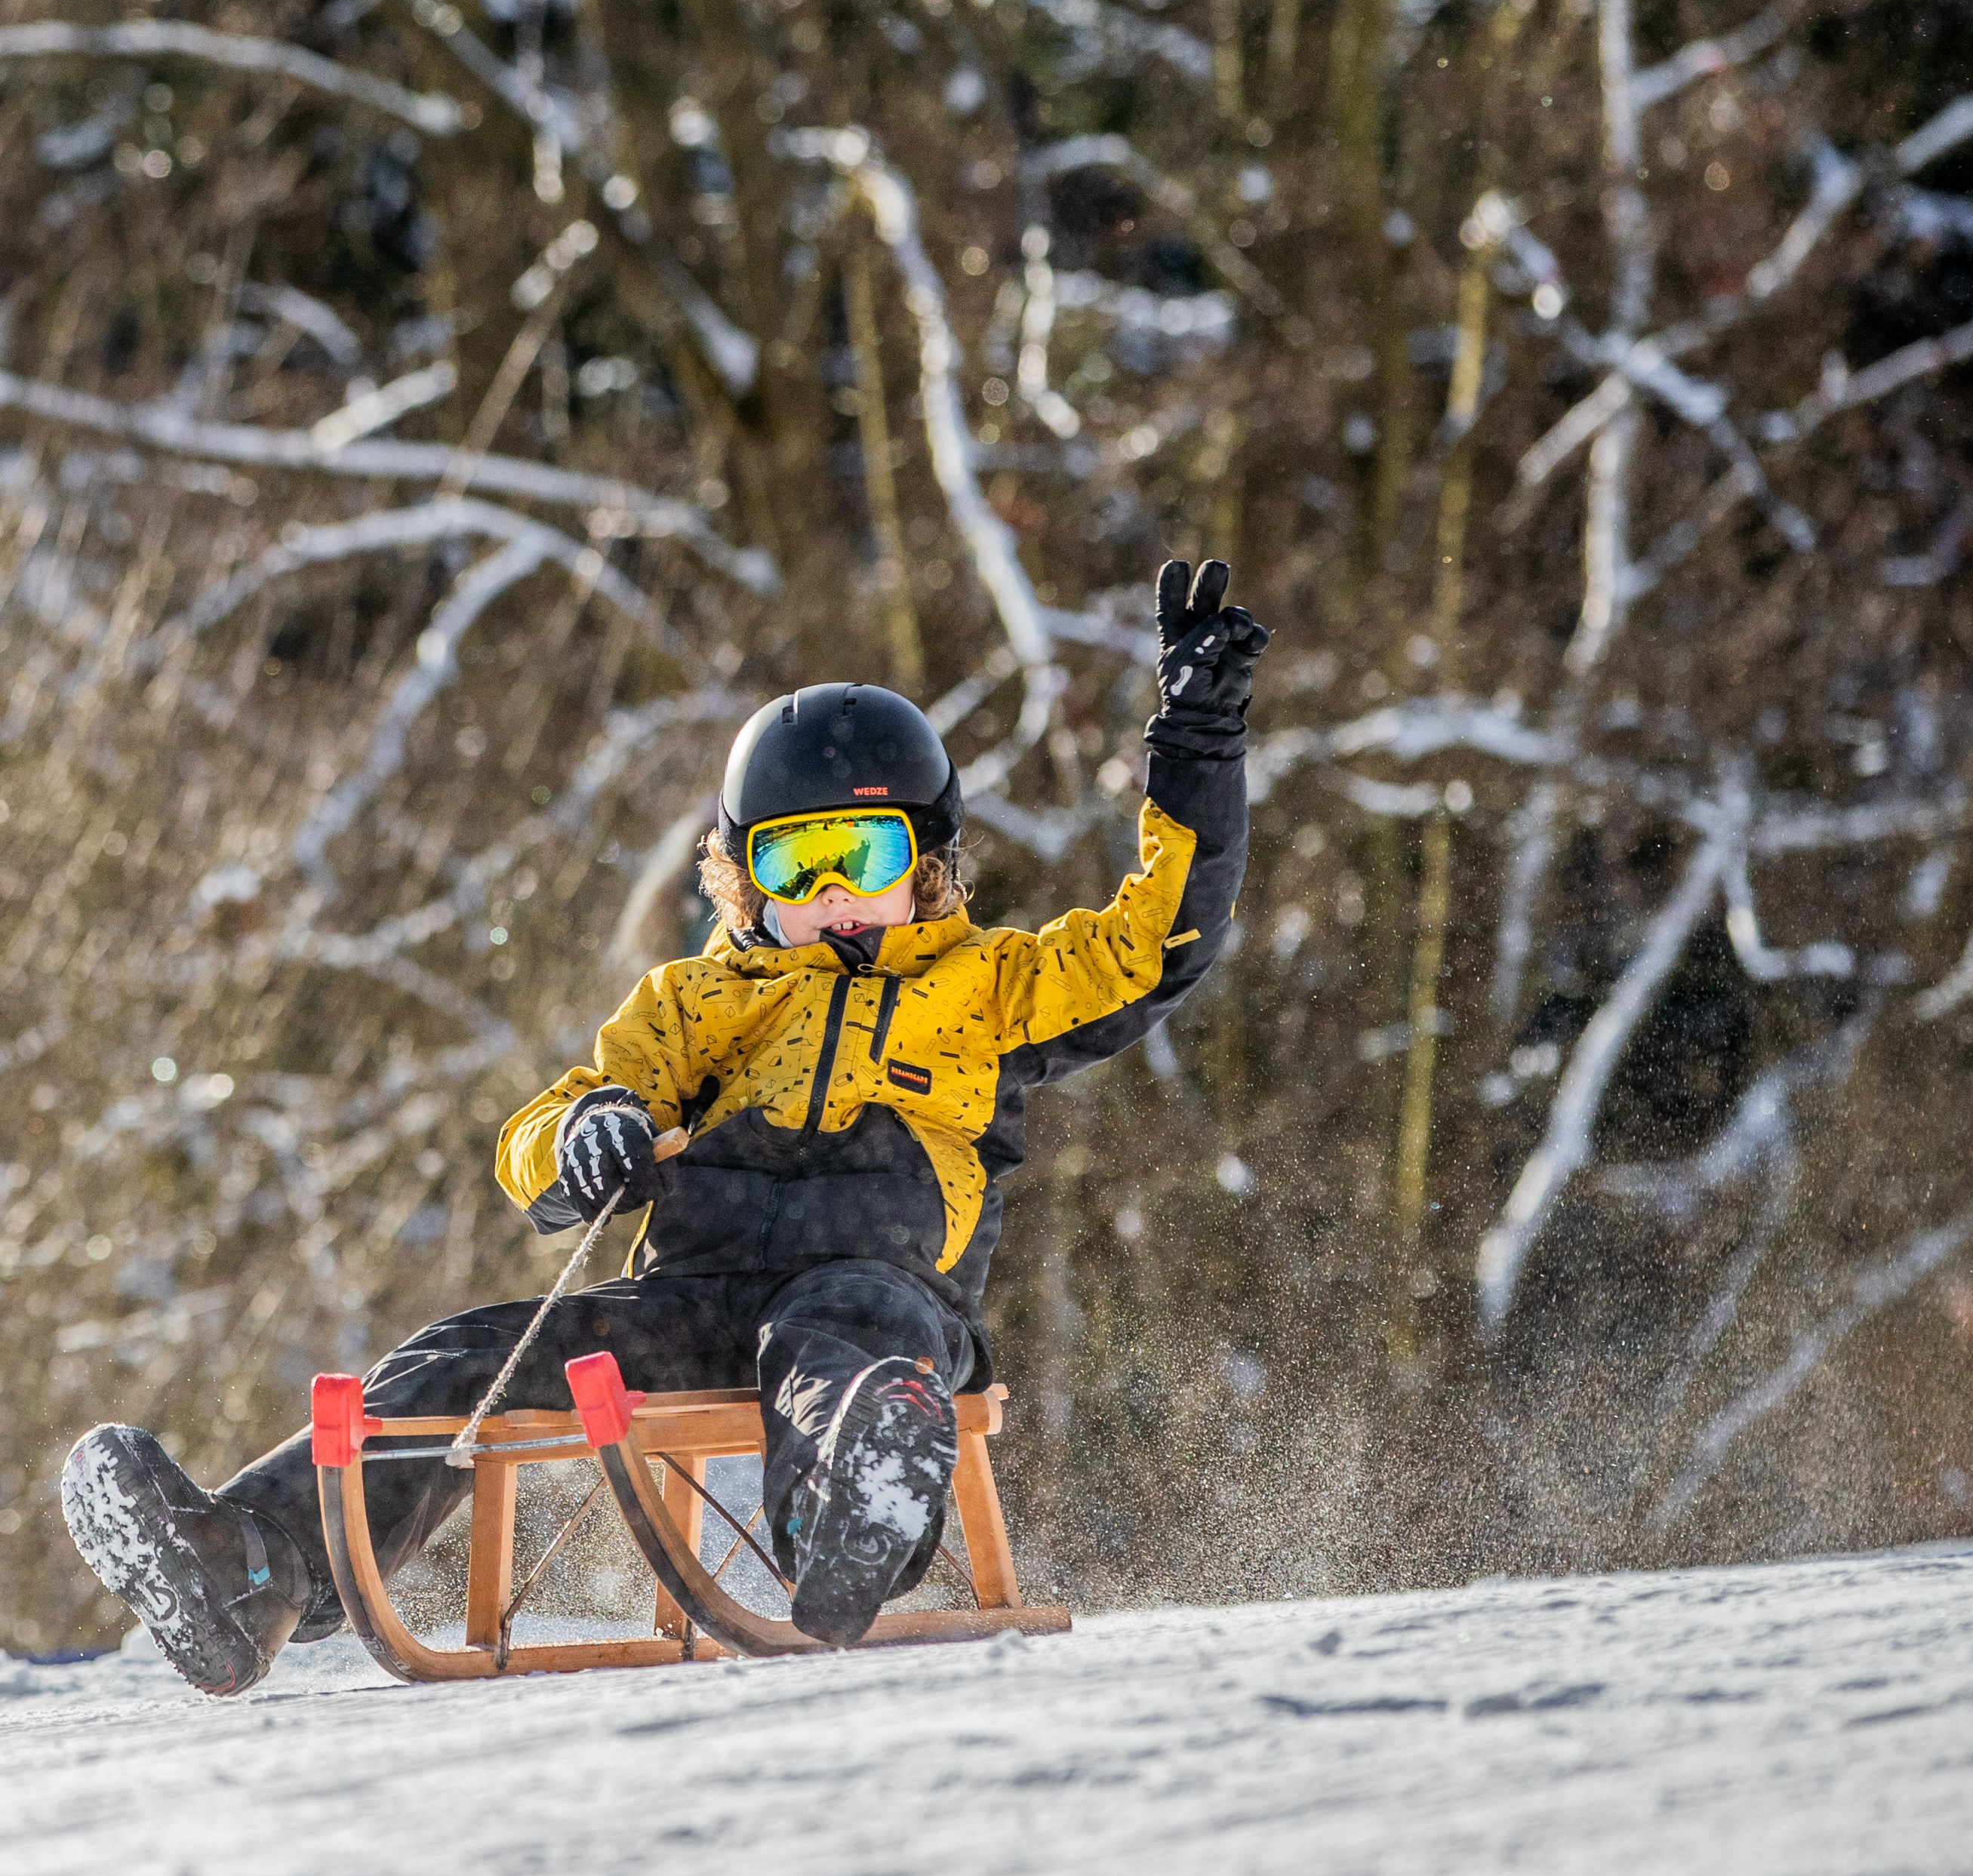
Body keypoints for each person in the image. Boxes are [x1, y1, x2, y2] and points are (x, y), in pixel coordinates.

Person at [63, 558, 1268, 1693]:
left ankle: (854, 1509)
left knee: (840, 1350)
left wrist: (1197, 745)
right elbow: (541, 1127)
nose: (834, 893)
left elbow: (1151, 939)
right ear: (746, 879)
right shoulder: (695, 1001)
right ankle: (253, 1568)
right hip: (693, 1295)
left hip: (878, 1287)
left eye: (866, 852)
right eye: (796, 867)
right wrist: (590, 1133)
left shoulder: (992, 982)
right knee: (458, 1356)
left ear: (928, 866)